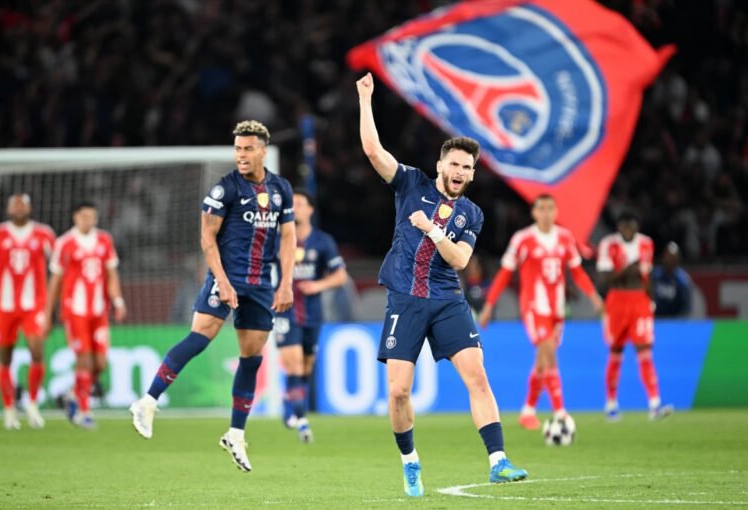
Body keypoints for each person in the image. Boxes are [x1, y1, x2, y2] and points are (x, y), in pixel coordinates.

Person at [357, 72, 527, 497]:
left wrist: (432, 229)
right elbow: (373, 151)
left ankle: (498, 461)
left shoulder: (471, 213)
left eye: (467, 167)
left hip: (447, 300)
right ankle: (410, 462)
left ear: (471, 174)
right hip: (405, 299)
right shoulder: (410, 183)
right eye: (454, 164)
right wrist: (365, 99)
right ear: (440, 165)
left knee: (478, 377)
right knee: (398, 392)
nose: (460, 171)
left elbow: (460, 259)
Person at [129, 120, 296, 473]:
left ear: (263, 150)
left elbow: (288, 238)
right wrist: (222, 280)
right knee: (200, 337)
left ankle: (235, 434)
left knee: (252, 358)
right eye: (237, 149)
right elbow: (207, 238)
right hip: (227, 277)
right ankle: (148, 401)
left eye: (248, 148)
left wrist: (285, 283)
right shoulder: (225, 189)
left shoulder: (281, 188)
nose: (241, 155)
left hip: (260, 284)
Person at [478, 195, 603, 430]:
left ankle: (528, 410)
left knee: (542, 361)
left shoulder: (565, 238)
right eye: (541, 208)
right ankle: (560, 412)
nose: (546, 213)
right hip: (534, 307)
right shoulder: (523, 239)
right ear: (534, 213)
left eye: (550, 208)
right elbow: (504, 273)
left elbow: (577, 272)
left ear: (556, 212)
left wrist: (594, 296)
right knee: (548, 352)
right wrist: (489, 305)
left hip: (557, 309)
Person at [45, 202, 126, 429]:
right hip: (75, 312)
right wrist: (48, 313)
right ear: (76, 217)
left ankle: (71, 394)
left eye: (92, 216)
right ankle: (83, 411)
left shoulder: (104, 240)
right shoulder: (64, 243)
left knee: (99, 364)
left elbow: (111, 274)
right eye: (84, 216)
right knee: (85, 360)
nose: (88, 220)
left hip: (99, 313)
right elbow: (56, 281)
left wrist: (118, 301)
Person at [275, 189, 347, 442]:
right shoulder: (278, 239)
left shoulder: (322, 241)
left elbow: (341, 276)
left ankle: (290, 399)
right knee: (293, 363)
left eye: (299, 203)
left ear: (310, 210)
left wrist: (317, 285)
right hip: (283, 310)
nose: (294, 208)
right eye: (291, 204)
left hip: (312, 313)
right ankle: (302, 420)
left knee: (305, 366)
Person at [0, 194, 55, 430]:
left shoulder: (43, 233)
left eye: (23, 204)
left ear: (30, 208)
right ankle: (9, 409)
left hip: (34, 306)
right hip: (4, 307)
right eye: (15, 204)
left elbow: (60, 264)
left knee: (36, 350)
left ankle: (32, 404)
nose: (19, 208)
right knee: (5, 357)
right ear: (8, 208)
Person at [597, 212, 673, 421]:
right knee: (616, 352)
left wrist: (651, 300)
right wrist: (627, 270)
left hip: (640, 301)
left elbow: (646, 276)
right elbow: (603, 280)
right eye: (624, 226)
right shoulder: (608, 245)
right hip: (617, 301)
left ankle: (655, 404)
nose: (628, 230)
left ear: (637, 227)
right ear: (618, 227)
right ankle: (611, 404)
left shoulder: (646, 243)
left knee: (645, 351)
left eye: (631, 226)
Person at [651, 242, 692, 317]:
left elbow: (686, 308)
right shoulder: (655, 275)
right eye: (667, 257)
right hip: (657, 318)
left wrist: (676, 321)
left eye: (672, 258)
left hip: (674, 321)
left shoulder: (683, 281)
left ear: (677, 260)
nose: (669, 261)